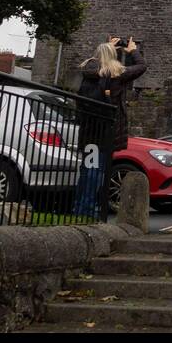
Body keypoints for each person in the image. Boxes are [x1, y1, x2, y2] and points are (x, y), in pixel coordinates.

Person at [73, 37, 146, 218]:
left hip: (89, 130)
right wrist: (132, 50)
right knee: (98, 172)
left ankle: (81, 207)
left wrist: (105, 47)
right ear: (111, 55)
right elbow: (141, 66)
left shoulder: (89, 72)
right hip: (105, 131)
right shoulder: (115, 73)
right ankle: (91, 210)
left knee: (88, 169)